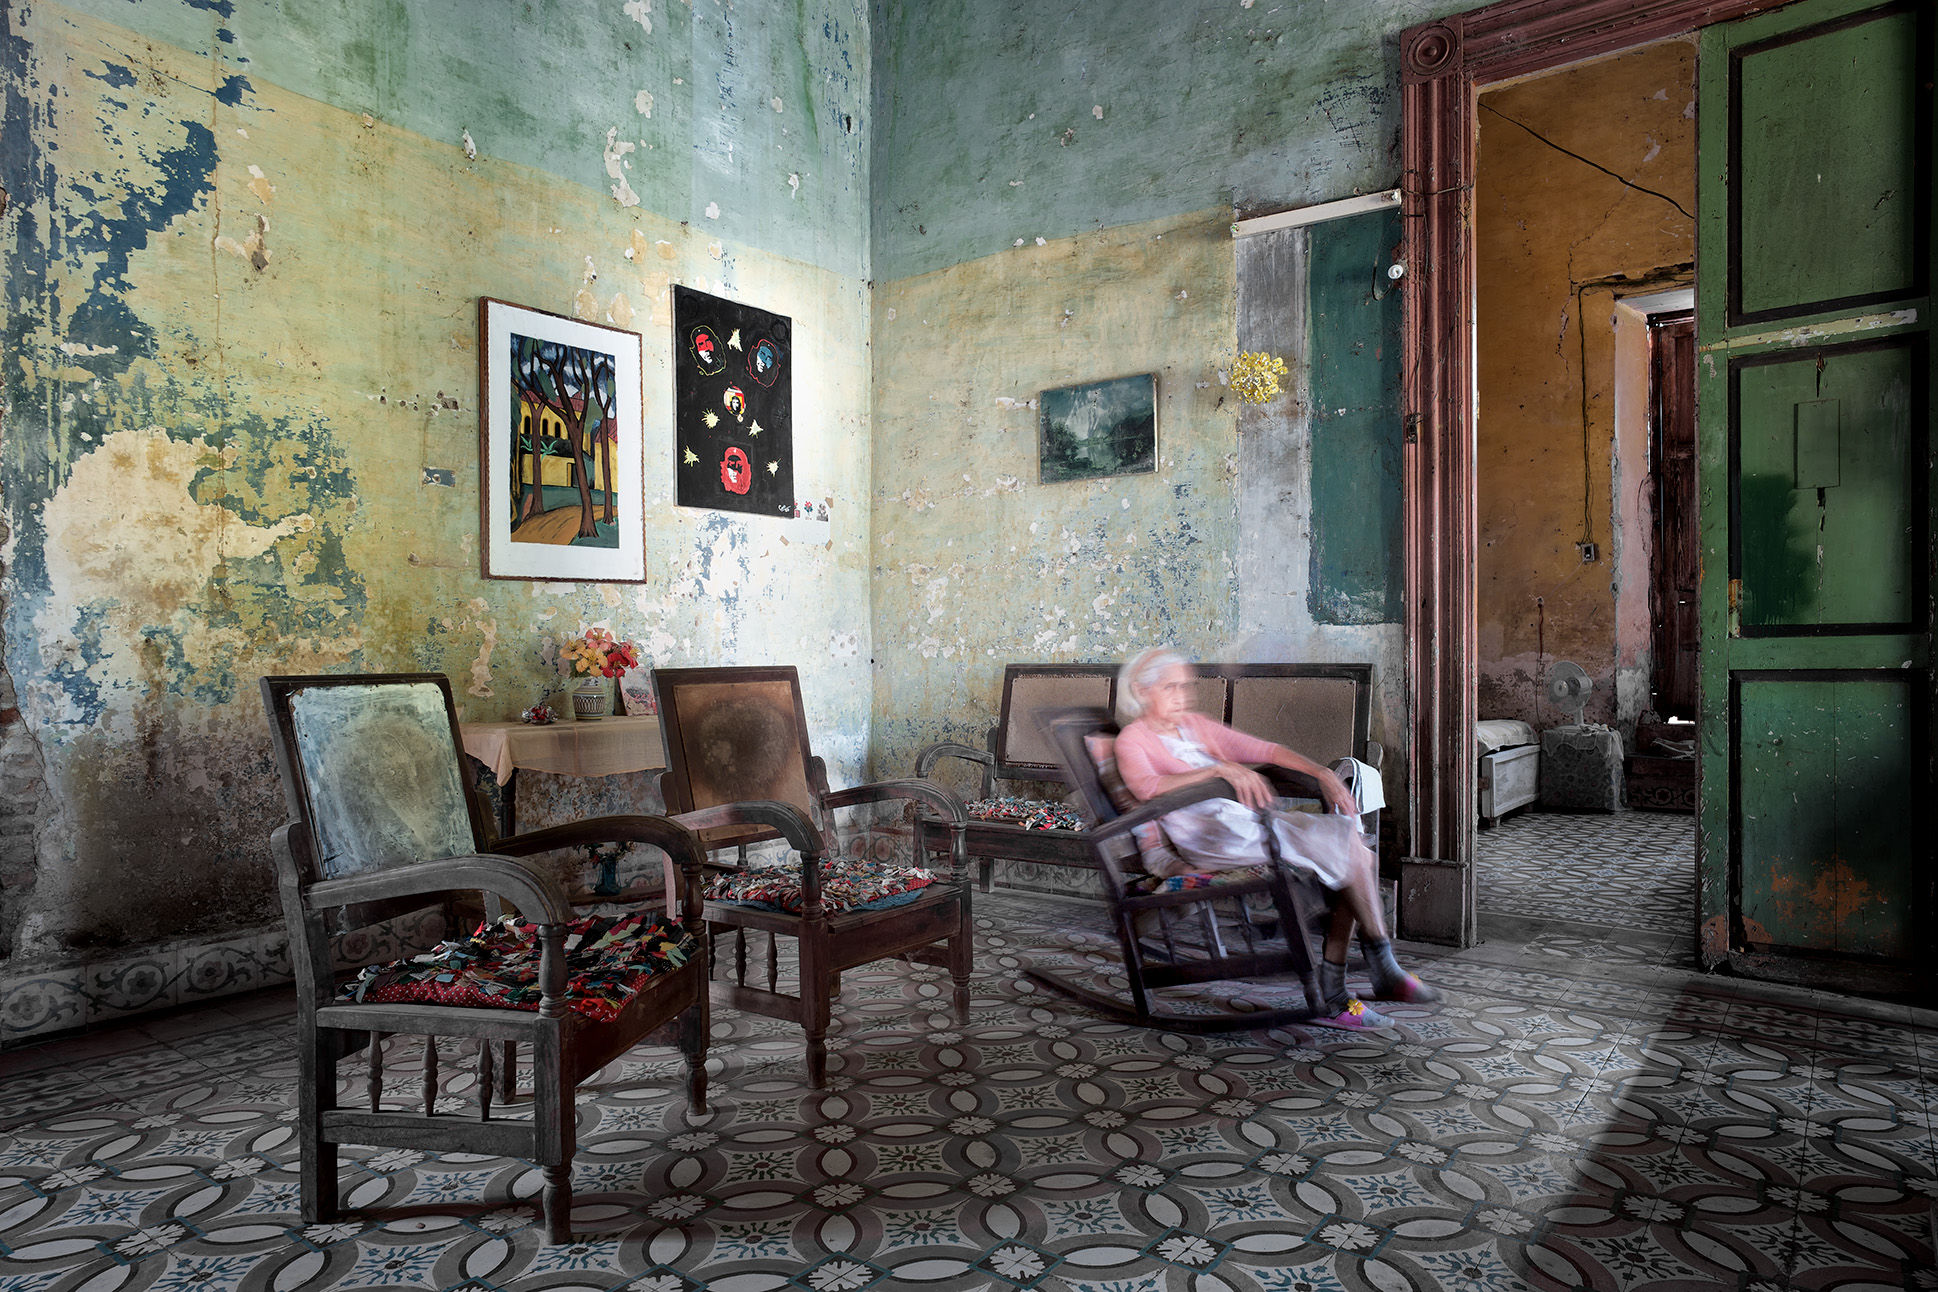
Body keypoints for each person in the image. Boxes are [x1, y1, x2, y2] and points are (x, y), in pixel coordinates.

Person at [1112, 647, 1439, 1030]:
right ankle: (1364, 978)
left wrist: (1321, 773)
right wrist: (1220, 772)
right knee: (1352, 853)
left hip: (1243, 823)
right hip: (1210, 837)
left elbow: (1264, 750)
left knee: (1357, 854)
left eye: (1185, 686)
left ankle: (1350, 983)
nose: (1182, 696)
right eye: (1170, 687)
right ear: (1140, 689)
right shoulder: (1132, 739)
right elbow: (1149, 788)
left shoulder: (1194, 725)